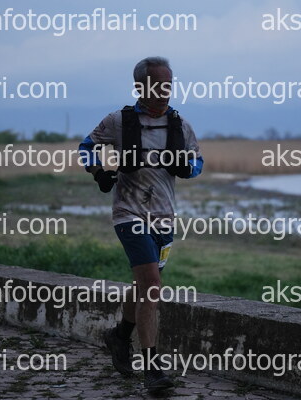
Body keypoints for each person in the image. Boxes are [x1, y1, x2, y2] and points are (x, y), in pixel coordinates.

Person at [78, 56, 203, 391]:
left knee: (145, 283)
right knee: (151, 283)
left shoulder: (180, 125)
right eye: (157, 85)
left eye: (168, 85)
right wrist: (99, 172)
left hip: (164, 217)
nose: (164, 91)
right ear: (140, 86)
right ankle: (152, 368)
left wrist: (188, 169)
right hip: (128, 214)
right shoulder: (119, 121)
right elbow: (86, 147)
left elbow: (198, 161)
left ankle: (119, 336)